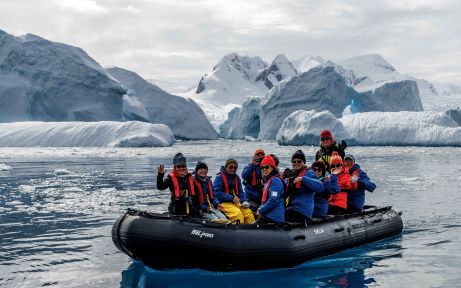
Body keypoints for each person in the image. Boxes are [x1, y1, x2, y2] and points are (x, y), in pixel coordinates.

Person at [284, 150, 324, 222]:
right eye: (294, 161)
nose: (296, 163)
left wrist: (303, 179)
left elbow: (320, 187)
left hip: (301, 210)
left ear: (304, 162)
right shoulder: (291, 175)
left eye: (299, 161)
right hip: (291, 208)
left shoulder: (309, 173)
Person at [157, 153, 201, 217]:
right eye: (178, 166)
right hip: (176, 211)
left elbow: (196, 196)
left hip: (191, 210)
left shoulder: (191, 178)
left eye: (183, 166)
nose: (181, 168)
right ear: (175, 167)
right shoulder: (170, 178)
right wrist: (160, 175)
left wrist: (199, 209)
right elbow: (160, 187)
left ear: (186, 167)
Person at [213, 159, 255, 224]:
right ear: (226, 167)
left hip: (235, 202)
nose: (233, 169)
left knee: (248, 213)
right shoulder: (219, 177)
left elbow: (241, 192)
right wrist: (231, 198)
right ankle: (238, 231)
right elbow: (217, 193)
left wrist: (244, 201)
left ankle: (251, 231)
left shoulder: (237, 178)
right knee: (237, 214)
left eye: (235, 168)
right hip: (223, 202)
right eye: (231, 167)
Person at [254, 155, 285, 224]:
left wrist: (261, 211)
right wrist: (260, 209)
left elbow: (273, 200)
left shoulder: (275, 181)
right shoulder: (268, 181)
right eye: (262, 167)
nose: (264, 169)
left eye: (267, 167)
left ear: (272, 168)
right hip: (268, 216)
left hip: (274, 217)